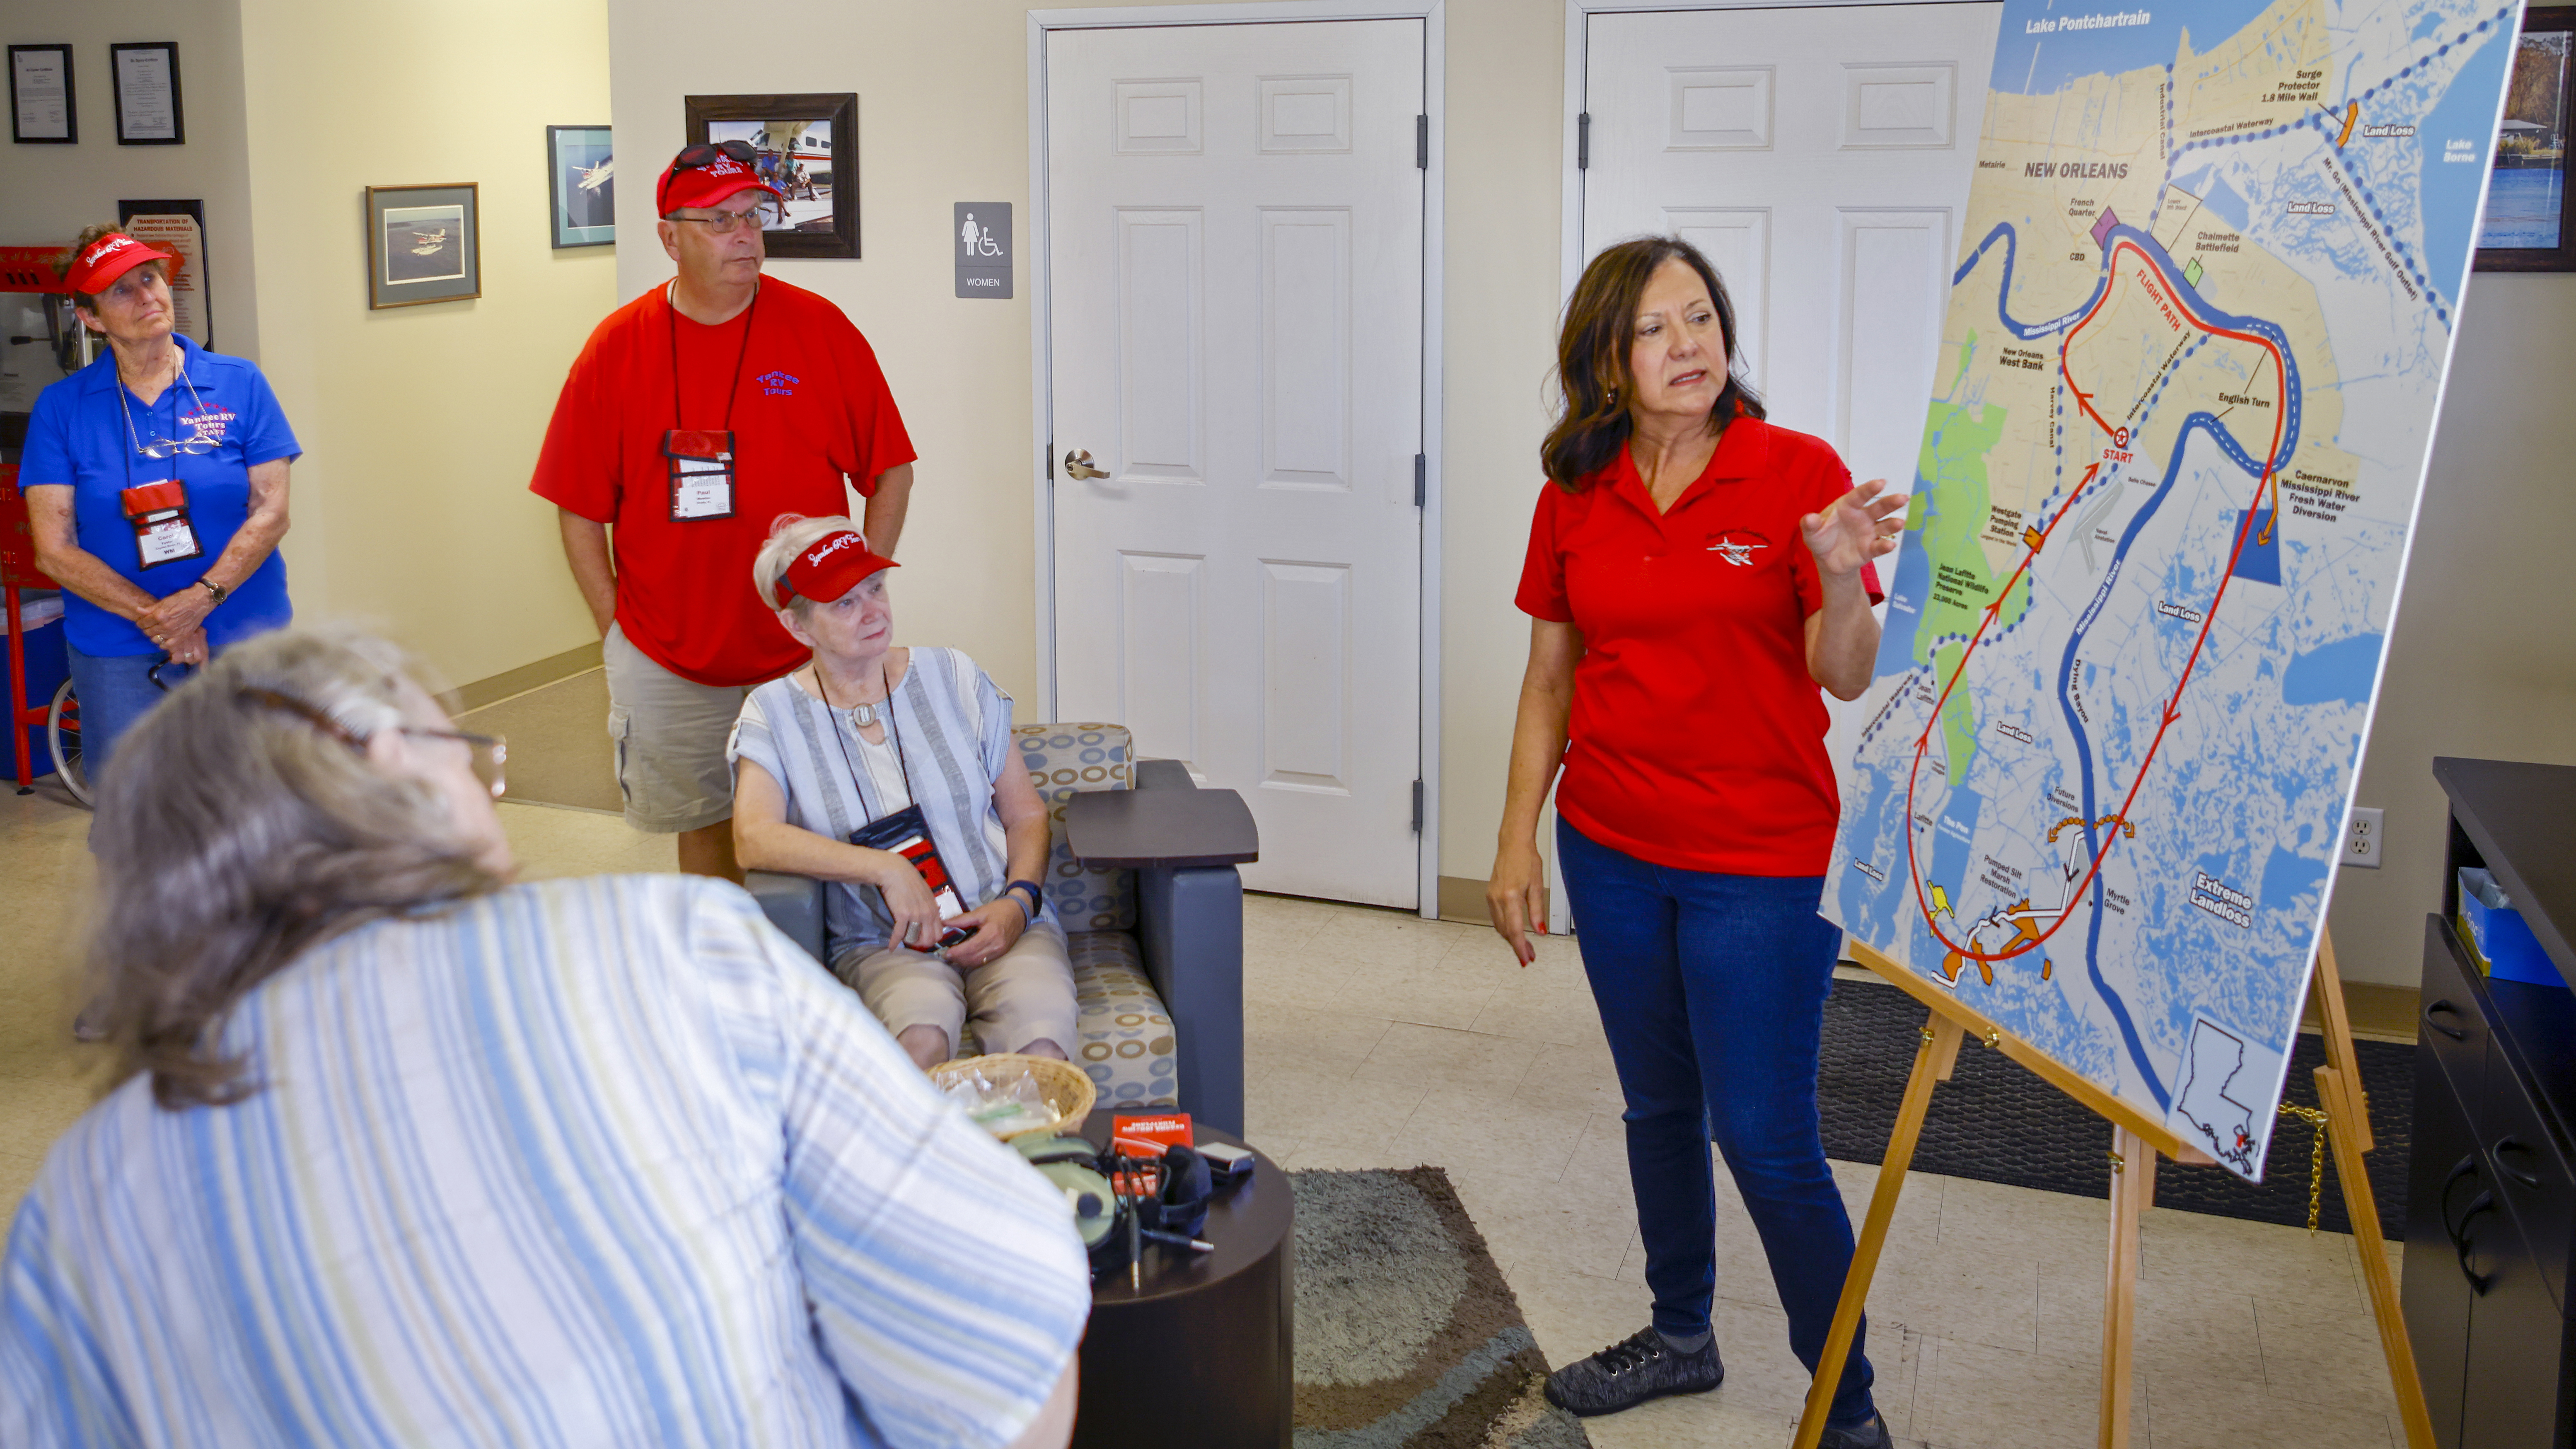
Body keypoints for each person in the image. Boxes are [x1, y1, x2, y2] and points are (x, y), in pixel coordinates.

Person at [0, 627, 1087, 1449]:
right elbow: (1007, 1341)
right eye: (470, 758)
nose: (493, 794)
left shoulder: (80, 1204)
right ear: (395, 770)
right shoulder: (676, 947)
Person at [1486, 237, 1905, 1448]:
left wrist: (1837, 578)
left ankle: (1847, 1411)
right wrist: (1516, 840)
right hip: (1611, 847)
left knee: (1765, 1139)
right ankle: (1681, 1335)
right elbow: (1550, 680)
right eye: (1657, 327)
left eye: (1703, 318)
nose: (1690, 345)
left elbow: (1843, 674)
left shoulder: (1795, 474)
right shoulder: (1574, 492)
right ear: (1606, 359)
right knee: (1657, 1108)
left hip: (1760, 866)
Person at [532, 139, 918, 883]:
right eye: (718, 221)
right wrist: (616, 629)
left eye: (751, 216)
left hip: (806, 648)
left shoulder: (819, 328)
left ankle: (812, 960)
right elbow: (577, 507)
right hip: (670, 655)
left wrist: (855, 594)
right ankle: (722, 955)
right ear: (668, 238)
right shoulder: (616, 347)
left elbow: (890, 471)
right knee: (705, 833)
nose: (744, 235)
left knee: (827, 826)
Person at [731, 516, 1075, 1074]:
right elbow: (753, 838)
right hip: (882, 942)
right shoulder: (772, 713)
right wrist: (886, 868)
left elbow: (1026, 814)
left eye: (875, 588)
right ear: (797, 626)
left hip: (1001, 919)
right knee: (919, 1045)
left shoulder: (954, 675)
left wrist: (1018, 903)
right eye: (844, 603)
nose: (873, 611)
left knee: (1043, 1057)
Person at [19, 227, 296, 781]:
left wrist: (200, 600)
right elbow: (54, 548)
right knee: (135, 807)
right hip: (117, 645)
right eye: (122, 290)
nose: (146, 295)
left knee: (259, 801)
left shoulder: (239, 383)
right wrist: (161, 619)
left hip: (244, 629)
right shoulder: (62, 407)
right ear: (91, 318)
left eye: (150, 279)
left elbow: (272, 511)